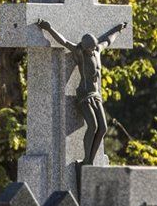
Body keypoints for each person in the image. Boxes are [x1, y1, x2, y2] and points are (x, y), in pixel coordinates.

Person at [33, 18, 129, 166]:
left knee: (103, 128)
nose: (91, 50)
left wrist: (118, 29)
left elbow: (108, 40)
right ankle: (86, 160)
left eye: (93, 47)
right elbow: (64, 41)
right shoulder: (80, 53)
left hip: (96, 95)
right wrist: (48, 28)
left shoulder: (97, 50)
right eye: (89, 49)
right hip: (84, 95)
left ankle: (90, 160)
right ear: (84, 48)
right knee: (93, 126)